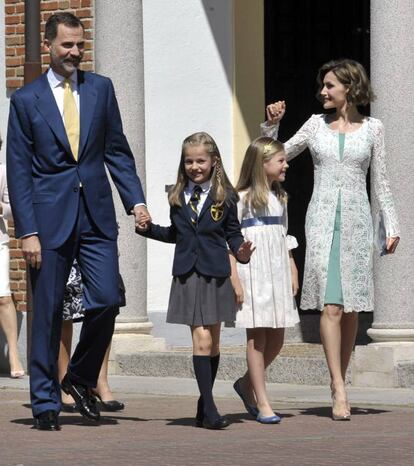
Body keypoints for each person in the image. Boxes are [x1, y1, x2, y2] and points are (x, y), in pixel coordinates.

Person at [6, 12, 149, 431]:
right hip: (47, 222)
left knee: (107, 299)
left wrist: (135, 200)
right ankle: (45, 403)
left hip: (96, 216)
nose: (74, 52)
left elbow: (117, 151)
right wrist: (27, 231)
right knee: (48, 315)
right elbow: (19, 170)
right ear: (48, 45)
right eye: (67, 45)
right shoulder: (26, 100)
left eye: (80, 45)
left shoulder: (101, 89)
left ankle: (81, 378)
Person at [262, 59, 400, 420]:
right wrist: (272, 125)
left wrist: (392, 225)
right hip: (322, 219)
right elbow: (274, 156)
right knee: (331, 305)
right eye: (322, 85)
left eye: (329, 85)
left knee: (352, 308)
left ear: (350, 89)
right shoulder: (313, 126)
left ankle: (341, 379)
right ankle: (338, 386)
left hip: (356, 221)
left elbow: (381, 180)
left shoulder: (373, 129)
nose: (322, 91)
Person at [137, 132, 254, 429]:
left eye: (200, 160)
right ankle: (211, 409)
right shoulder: (177, 196)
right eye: (189, 161)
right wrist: (148, 229)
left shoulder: (225, 196)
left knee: (213, 343)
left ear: (214, 161)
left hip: (215, 275)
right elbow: (176, 236)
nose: (194, 166)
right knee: (201, 339)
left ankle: (204, 403)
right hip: (188, 274)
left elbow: (232, 233)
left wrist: (241, 253)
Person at [228, 137, 300, 424]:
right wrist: (234, 277)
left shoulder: (280, 198)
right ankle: (263, 401)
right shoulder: (240, 199)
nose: (286, 164)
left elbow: (284, 235)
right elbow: (229, 242)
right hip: (253, 270)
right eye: (281, 160)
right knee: (257, 337)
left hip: (277, 269)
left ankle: (246, 383)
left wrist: (292, 267)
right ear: (263, 164)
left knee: (278, 336)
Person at [58, 260, 125, 413]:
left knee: (106, 308)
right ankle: (64, 381)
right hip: (66, 242)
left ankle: (99, 380)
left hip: (97, 243)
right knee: (64, 309)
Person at [0, 157, 24, 378]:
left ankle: (14, 356)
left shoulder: (4, 171)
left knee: (4, 296)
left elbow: (12, 211)